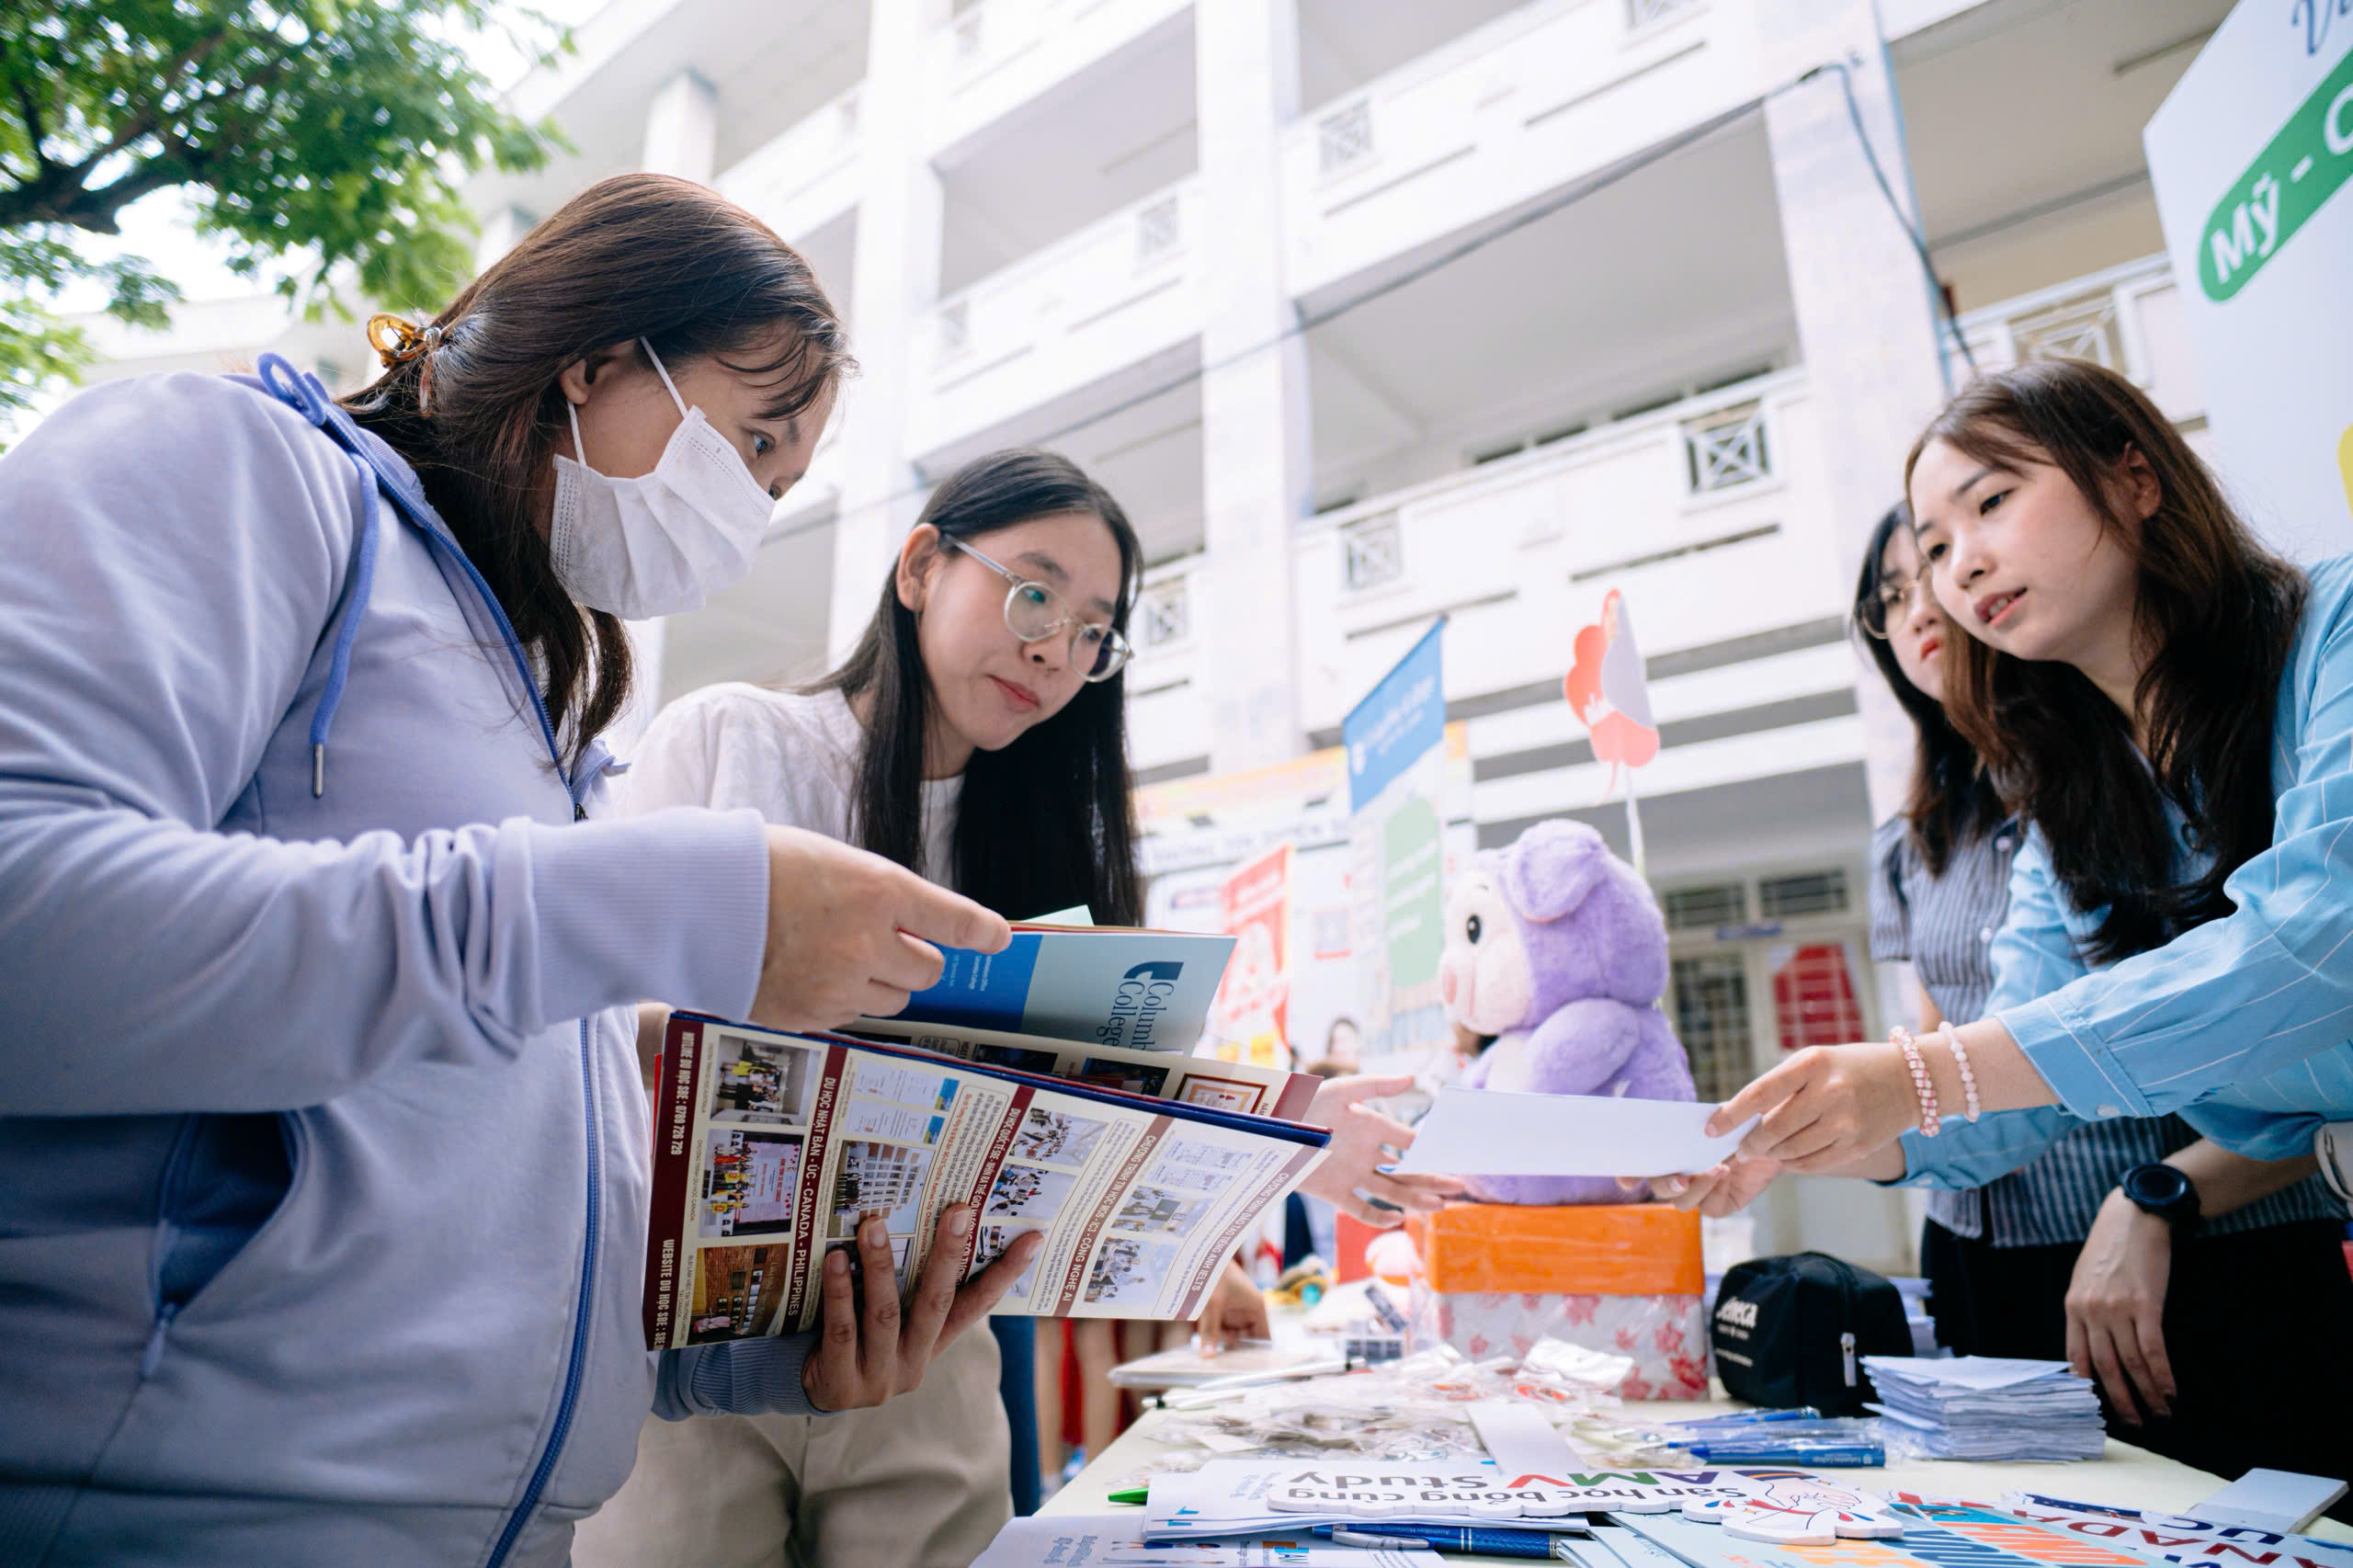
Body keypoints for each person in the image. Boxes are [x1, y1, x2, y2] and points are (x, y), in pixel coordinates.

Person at [0, 174, 1043, 1568]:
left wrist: (735, 1358)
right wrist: (687, 904)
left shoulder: (541, 712)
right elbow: (29, 927)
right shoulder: (231, 463)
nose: (748, 512)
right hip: (188, 1506)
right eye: (751, 443)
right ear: (599, 356)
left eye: (783, 489)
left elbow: (481, 1204)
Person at [578, 449, 1463, 1565]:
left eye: (1094, 630)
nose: (1055, 648)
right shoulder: (733, 740)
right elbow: (594, 1016)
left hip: (929, 1341)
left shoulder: (1051, 845)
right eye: (1032, 589)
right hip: (694, 1336)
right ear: (918, 568)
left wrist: (1277, 1163)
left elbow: (1077, 1122)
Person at [1664, 358, 2353, 1483]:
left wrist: (1922, 1076)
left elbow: (2315, 943)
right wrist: (1798, 1131)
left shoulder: (2334, 630)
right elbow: (2004, 1103)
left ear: (2133, 475)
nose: (1958, 565)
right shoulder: (2071, 812)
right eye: (1932, 546)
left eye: (1990, 501)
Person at [1847, 501, 2342, 1473]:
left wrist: (2155, 1194)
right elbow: (1957, 1052)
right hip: (1997, 1234)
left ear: (2131, 478)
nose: (1942, 588)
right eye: (1906, 581)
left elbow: (2297, 973)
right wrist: (1831, 1126)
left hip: (2214, 1233)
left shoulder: (2305, 647)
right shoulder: (1962, 826)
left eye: (1988, 509)